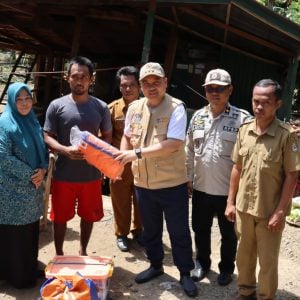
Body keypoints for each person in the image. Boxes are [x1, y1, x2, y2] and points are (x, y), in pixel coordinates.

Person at [116, 62, 198, 298]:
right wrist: (122, 159)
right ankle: (156, 265)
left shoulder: (176, 108)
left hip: (172, 184)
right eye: (146, 83)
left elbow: (174, 143)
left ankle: (184, 272)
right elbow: (127, 136)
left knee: (178, 231)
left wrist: (136, 153)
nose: (151, 87)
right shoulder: (135, 108)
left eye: (156, 82)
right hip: (143, 183)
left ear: (164, 82)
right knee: (150, 230)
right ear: (141, 86)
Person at [225, 79, 300, 300]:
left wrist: (279, 212)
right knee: (244, 256)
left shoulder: (287, 135)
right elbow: (237, 167)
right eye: (255, 101)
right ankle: (246, 292)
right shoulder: (244, 130)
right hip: (244, 209)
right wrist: (230, 202)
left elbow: (292, 175)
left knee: (267, 261)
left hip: (269, 212)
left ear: (277, 104)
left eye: (265, 102)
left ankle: (266, 296)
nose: (259, 106)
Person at [185, 68, 251, 286]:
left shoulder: (243, 120)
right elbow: (189, 150)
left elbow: (248, 158)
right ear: (205, 90)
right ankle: (202, 264)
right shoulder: (198, 116)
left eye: (220, 88)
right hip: (201, 188)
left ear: (230, 90)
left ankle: (226, 269)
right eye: (210, 88)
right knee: (200, 229)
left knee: (229, 235)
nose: (214, 92)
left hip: (228, 193)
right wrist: (188, 179)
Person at [43, 56, 112, 256]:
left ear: (92, 79)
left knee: (88, 216)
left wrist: (96, 152)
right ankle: (59, 253)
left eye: (84, 77)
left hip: (91, 176)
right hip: (63, 174)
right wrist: (65, 150)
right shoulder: (56, 106)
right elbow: (47, 135)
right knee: (60, 217)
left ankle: (83, 251)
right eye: (75, 76)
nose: (79, 81)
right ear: (67, 78)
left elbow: (107, 136)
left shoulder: (101, 107)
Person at [0, 82, 48, 288]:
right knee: (13, 235)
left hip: (32, 192)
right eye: (18, 99)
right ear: (11, 100)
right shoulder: (4, 122)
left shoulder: (32, 121)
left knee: (29, 231)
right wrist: (31, 175)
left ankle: (28, 267)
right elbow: (2, 156)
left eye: (27, 98)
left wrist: (43, 169)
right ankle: (15, 275)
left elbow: (42, 149)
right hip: (11, 191)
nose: (24, 103)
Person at [108, 66, 142, 252]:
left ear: (139, 87)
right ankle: (121, 234)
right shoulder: (112, 110)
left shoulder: (149, 108)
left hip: (143, 163)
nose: (128, 89)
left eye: (132, 85)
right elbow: (105, 138)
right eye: (124, 85)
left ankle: (139, 232)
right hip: (119, 165)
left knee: (142, 201)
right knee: (120, 201)